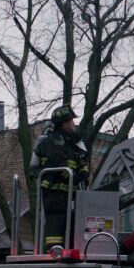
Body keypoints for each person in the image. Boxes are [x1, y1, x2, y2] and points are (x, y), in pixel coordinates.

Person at [35, 105, 90, 250]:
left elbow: (80, 160)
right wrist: (75, 177)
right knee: (56, 225)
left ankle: (70, 251)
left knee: (72, 224)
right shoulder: (52, 142)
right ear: (64, 123)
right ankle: (54, 253)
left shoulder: (72, 143)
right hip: (54, 193)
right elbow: (59, 162)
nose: (73, 124)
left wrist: (84, 173)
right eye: (71, 121)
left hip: (69, 194)